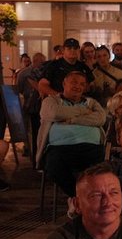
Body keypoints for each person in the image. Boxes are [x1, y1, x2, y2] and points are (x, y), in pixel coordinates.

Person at [38, 67, 107, 200]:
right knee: (53, 166)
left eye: (82, 84)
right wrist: (82, 111)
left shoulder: (91, 102)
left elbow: (100, 118)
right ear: (64, 84)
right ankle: (80, 198)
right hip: (59, 148)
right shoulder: (51, 101)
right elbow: (54, 113)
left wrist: (72, 119)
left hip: (91, 147)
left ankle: (81, 200)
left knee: (101, 169)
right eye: (74, 82)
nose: (78, 86)